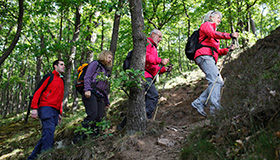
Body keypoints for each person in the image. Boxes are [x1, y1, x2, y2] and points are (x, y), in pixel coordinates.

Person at [191, 10, 239, 116]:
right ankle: (215, 111)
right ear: (211, 17)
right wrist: (229, 35)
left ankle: (199, 102)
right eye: (218, 17)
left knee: (218, 82)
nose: (220, 19)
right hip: (204, 56)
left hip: (207, 57)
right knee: (216, 81)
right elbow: (212, 34)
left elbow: (216, 51)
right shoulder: (206, 25)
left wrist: (227, 49)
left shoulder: (213, 33)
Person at [28, 59, 65, 160]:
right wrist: (34, 108)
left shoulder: (62, 81)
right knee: (49, 132)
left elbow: (60, 98)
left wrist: (60, 113)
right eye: (61, 64)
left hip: (55, 111)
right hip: (45, 108)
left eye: (64, 65)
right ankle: (46, 156)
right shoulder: (49, 77)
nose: (63, 66)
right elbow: (37, 92)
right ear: (55, 66)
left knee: (48, 134)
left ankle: (32, 158)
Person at [78, 50, 112, 140]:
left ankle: (94, 137)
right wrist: (87, 89)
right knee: (92, 114)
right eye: (109, 57)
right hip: (91, 92)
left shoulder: (105, 70)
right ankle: (79, 137)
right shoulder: (95, 64)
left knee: (99, 117)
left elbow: (104, 88)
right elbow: (87, 76)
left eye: (111, 58)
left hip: (99, 95)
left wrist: (106, 101)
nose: (110, 60)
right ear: (104, 56)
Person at [145, 29, 172, 119]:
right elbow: (146, 56)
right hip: (143, 76)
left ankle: (122, 126)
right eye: (159, 36)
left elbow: (153, 68)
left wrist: (165, 69)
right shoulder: (147, 43)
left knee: (142, 101)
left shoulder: (153, 47)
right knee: (153, 95)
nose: (160, 39)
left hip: (147, 75)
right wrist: (160, 60)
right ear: (153, 34)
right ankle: (146, 119)